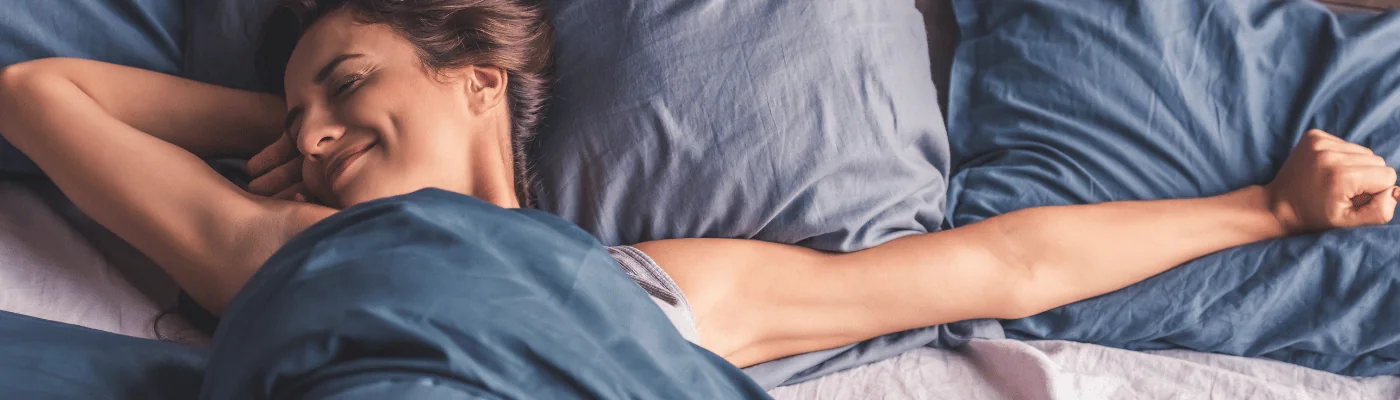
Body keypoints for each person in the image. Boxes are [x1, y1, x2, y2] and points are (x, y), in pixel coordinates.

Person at [0, 0, 1396, 371]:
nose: (311, 131)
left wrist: (1266, 215)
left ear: (477, 74)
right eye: (296, 112)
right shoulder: (265, 245)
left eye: (348, 77)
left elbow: (1001, 272)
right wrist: (307, 128)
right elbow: (36, 91)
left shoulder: (663, 292)